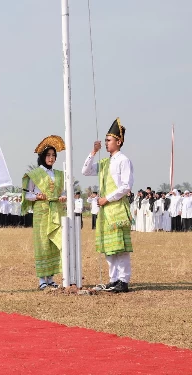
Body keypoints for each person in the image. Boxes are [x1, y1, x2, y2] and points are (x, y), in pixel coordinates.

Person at [82, 118, 134, 293]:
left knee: (121, 248)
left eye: (108, 140)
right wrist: (93, 152)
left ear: (118, 142)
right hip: (106, 211)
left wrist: (107, 199)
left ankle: (123, 280)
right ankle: (113, 279)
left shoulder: (123, 160)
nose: (106, 143)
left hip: (117, 208)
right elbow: (86, 171)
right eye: (105, 140)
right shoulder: (105, 162)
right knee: (110, 247)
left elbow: (126, 186)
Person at [21, 135, 67, 290]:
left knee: (54, 244)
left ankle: (52, 278)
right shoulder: (35, 174)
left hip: (55, 211)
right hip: (41, 212)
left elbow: (62, 192)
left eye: (54, 155)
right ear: (42, 156)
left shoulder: (59, 174)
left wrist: (62, 197)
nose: (51, 158)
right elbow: (27, 194)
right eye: (48, 155)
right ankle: (42, 279)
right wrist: (37, 196)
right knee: (42, 244)